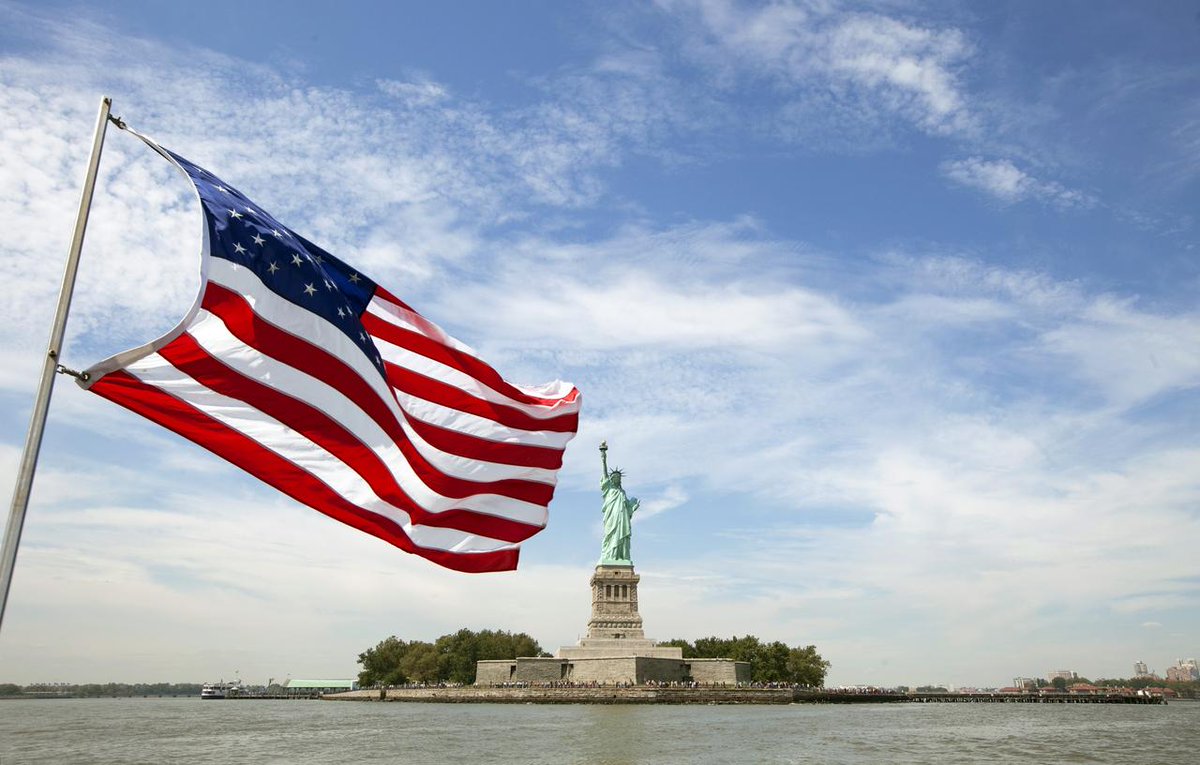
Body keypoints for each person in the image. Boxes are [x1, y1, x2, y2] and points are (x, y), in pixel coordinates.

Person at [599, 441, 639, 564]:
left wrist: (633, 507)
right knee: (610, 536)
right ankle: (610, 556)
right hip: (611, 518)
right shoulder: (608, 488)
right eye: (615, 477)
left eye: (618, 478)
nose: (617, 479)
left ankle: (621, 557)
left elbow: (627, 506)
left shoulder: (622, 492)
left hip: (622, 518)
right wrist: (603, 457)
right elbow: (604, 473)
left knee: (622, 535)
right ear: (611, 479)